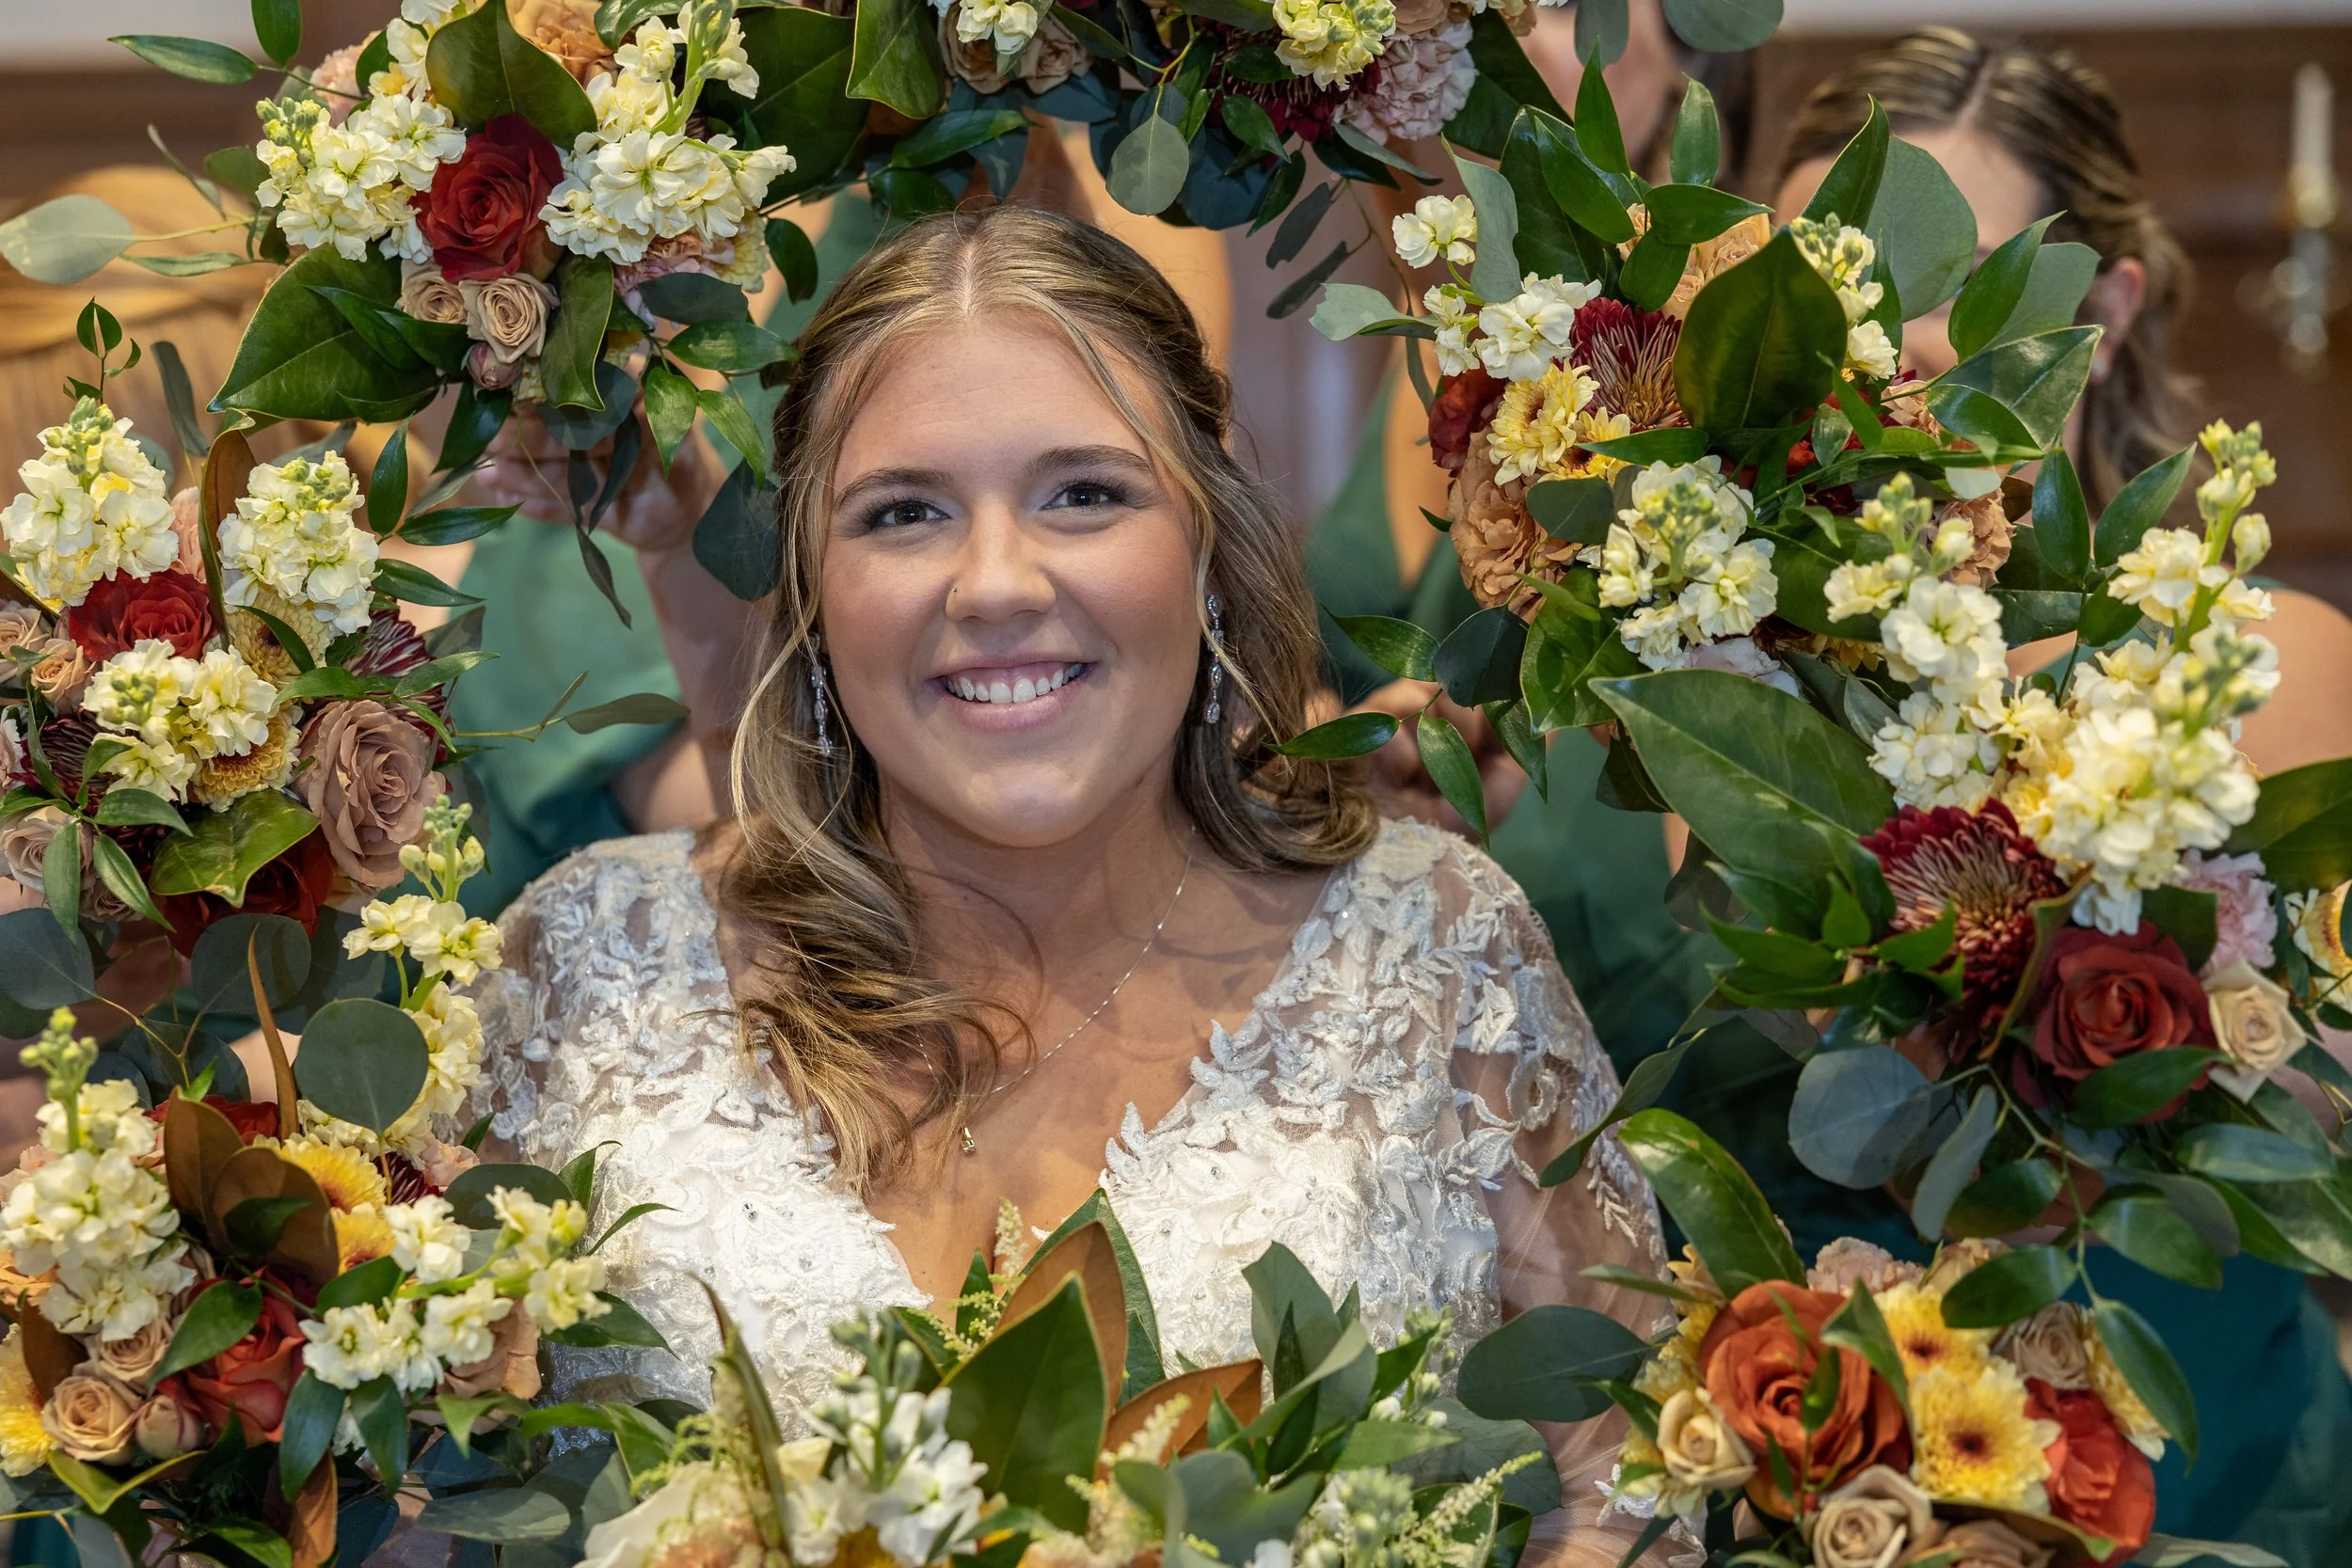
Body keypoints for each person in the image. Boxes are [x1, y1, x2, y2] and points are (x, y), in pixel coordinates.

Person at [466, 205, 1679, 1567]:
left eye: (1085, 494)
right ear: (811, 575)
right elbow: (411, 1490)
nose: (995, 582)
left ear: (1208, 541)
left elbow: (1636, 1483)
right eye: (905, 512)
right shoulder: (582, 962)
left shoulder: (1436, 949)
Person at [1763, 31, 2352, 1564]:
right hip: (1815, 1485)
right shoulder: (1736, 701)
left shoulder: (2262, 674)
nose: (1872, 348)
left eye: (1934, 276)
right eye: (1819, 287)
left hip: (2195, 1479)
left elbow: (2295, 1139)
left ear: (2106, 310)